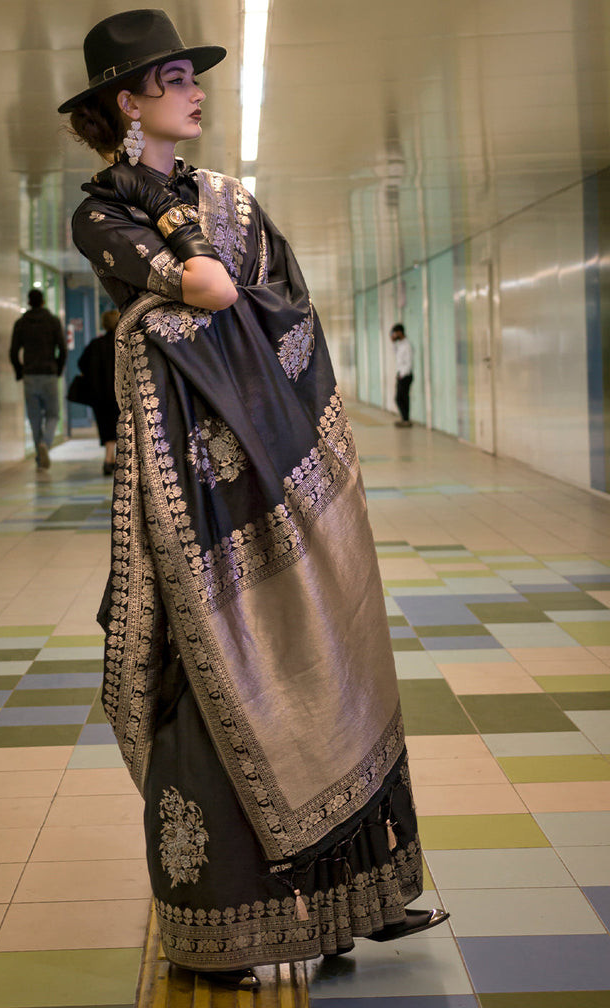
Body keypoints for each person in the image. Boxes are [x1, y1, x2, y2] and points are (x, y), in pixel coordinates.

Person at [59, 9, 447, 989]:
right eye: (178, 77)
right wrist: (187, 274)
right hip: (190, 504)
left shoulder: (228, 200)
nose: (198, 92)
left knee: (322, 661)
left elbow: (280, 307)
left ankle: (346, 905)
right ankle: (227, 929)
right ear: (126, 101)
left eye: (195, 75)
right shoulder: (100, 211)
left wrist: (192, 281)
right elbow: (199, 290)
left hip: (278, 468)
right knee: (206, 692)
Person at [10, 289, 67, 468]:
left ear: (28, 302)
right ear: (42, 302)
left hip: (30, 375)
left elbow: (13, 351)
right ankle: (45, 444)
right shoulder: (53, 322)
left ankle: (39, 456)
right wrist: (57, 369)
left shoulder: (21, 323)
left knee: (35, 419)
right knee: (52, 415)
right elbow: (62, 349)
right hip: (48, 373)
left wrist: (20, 371)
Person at [78, 308, 121, 475]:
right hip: (120, 395)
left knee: (106, 428)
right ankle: (114, 459)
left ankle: (108, 458)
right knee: (120, 427)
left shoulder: (96, 345)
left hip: (100, 396)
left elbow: (82, 364)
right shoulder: (125, 344)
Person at [390, 322, 413, 427]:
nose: (394, 335)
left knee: (400, 398)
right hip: (401, 374)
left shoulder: (407, 345)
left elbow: (409, 362)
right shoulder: (400, 344)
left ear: (400, 332)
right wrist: (393, 342)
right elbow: (396, 355)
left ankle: (406, 420)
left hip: (405, 375)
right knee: (401, 398)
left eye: (395, 333)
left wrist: (402, 375)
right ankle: (405, 419)